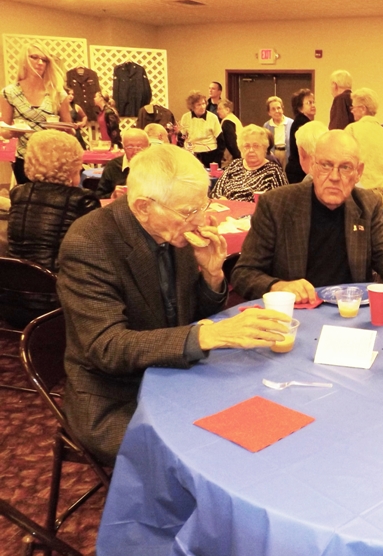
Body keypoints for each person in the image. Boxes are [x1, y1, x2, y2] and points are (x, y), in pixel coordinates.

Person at [57, 144, 291, 465]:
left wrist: (211, 275)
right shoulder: (90, 242)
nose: (201, 220)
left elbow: (190, 316)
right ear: (143, 207)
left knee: (262, 413)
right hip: (117, 394)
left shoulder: (173, 231)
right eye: (189, 211)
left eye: (202, 206)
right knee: (215, 451)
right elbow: (106, 347)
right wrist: (207, 335)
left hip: (176, 376)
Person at [232, 130, 383, 306]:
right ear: (313, 166)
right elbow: (244, 273)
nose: (334, 176)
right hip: (297, 313)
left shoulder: (367, 204)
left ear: (358, 172)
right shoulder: (276, 204)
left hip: (351, 312)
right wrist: (278, 286)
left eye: (345, 167)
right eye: (326, 165)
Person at [3, 130, 99, 327]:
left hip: (10, 298)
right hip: (57, 304)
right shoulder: (82, 200)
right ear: (72, 164)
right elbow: (97, 256)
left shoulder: (18, 194)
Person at [1, 41, 73, 185]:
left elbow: (70, 131)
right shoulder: (10, 93)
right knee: (27, 197)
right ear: (24, 60)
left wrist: (59, 129)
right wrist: (13, 132)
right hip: (25, 158)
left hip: (52, 158)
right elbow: (4, 130)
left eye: (44, 60)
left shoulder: (57, 93)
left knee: (52, 197)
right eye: (34, 57)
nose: (40, 62)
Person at [344, 88, 383, 208]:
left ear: (363, 109)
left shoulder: (352, 130)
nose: (352, 111)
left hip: (358, 191)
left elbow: (344, 161)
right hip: (380, 193)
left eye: (353, 107)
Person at [210, 124, 287, 201]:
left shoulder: (273, 171)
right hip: (228, 207)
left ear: (264, 148)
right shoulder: (234, 165)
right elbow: (215, 193)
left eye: (256, 146)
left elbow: (281, 201)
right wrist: (222, 199)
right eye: (247, 146)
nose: (251, 150)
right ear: (240, 148)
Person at [96, 128, 151, 199]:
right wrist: (113, 195)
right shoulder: (113, 166)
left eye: (140, 147)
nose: (135, 151)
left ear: (149, 147)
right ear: (123, 147)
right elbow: (99, 196)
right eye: (130, 147)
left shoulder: (156, 166)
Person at [179, 90, 223, 167]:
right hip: (192, 153)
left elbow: (221, 140)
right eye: (198, 105)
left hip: (210, 153)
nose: (202, 107)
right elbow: (182, 137)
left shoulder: (213, 117)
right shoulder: (185, 117)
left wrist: (217, 159)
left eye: (203, 103)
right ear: (192, 106)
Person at [285, 88, 316, 184]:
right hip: (298, 171)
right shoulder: (301, 123)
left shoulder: (304, 121)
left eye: (313, 102)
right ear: (300, 108)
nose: (313, 105)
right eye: (309, 103)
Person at [264, 95, 293, 169]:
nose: (277, 111)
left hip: (287, 153)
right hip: (273, 154)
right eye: (273, 109)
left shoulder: (291, 123)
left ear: (282, 109)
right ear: (269, 112)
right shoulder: (266, 126)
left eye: (278, 108)